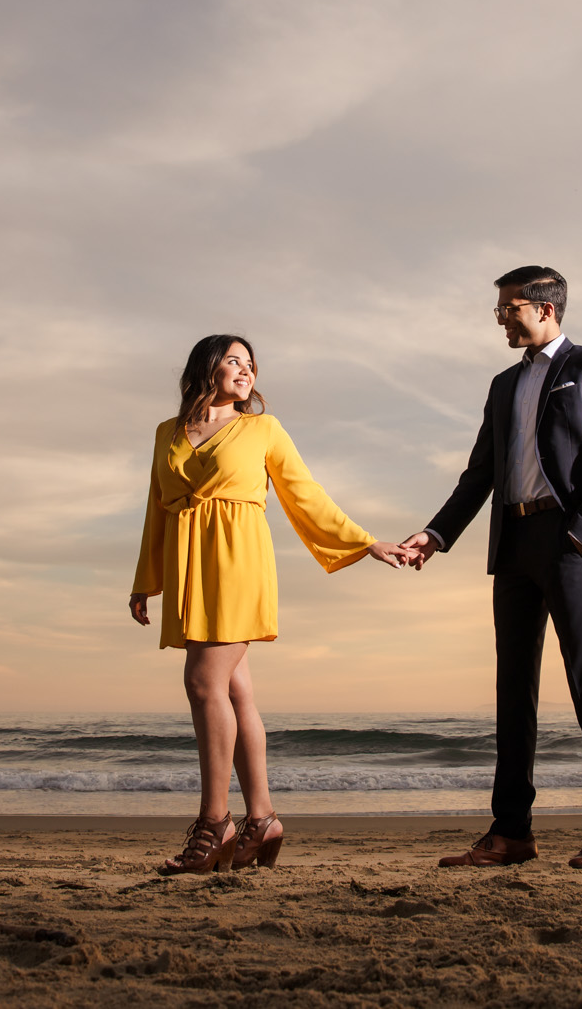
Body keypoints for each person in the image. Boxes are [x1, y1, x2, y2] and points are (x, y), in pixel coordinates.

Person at [131, 334, 408, 874]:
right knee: (235, 690)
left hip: (238, 561)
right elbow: (156, 508)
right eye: (234, 360)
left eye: (251, 364)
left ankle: (215, 825)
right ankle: (262, 819)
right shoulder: (167, 433)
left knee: (203, 683)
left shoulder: (262, 429)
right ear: (206, 367)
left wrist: (364, 541)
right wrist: (147, 580)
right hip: (190, 565)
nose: (246, 370)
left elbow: (305, 494)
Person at [402, 267, 582, 869]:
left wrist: (581, 536)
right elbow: (479, 474)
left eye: (509, 308)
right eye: (500, 309)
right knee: (514, 690)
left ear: (546, 307)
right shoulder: (503, 385)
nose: (501, 318)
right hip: (511, 543)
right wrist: (435, 534)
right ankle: (511, 833)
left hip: (566, 539)